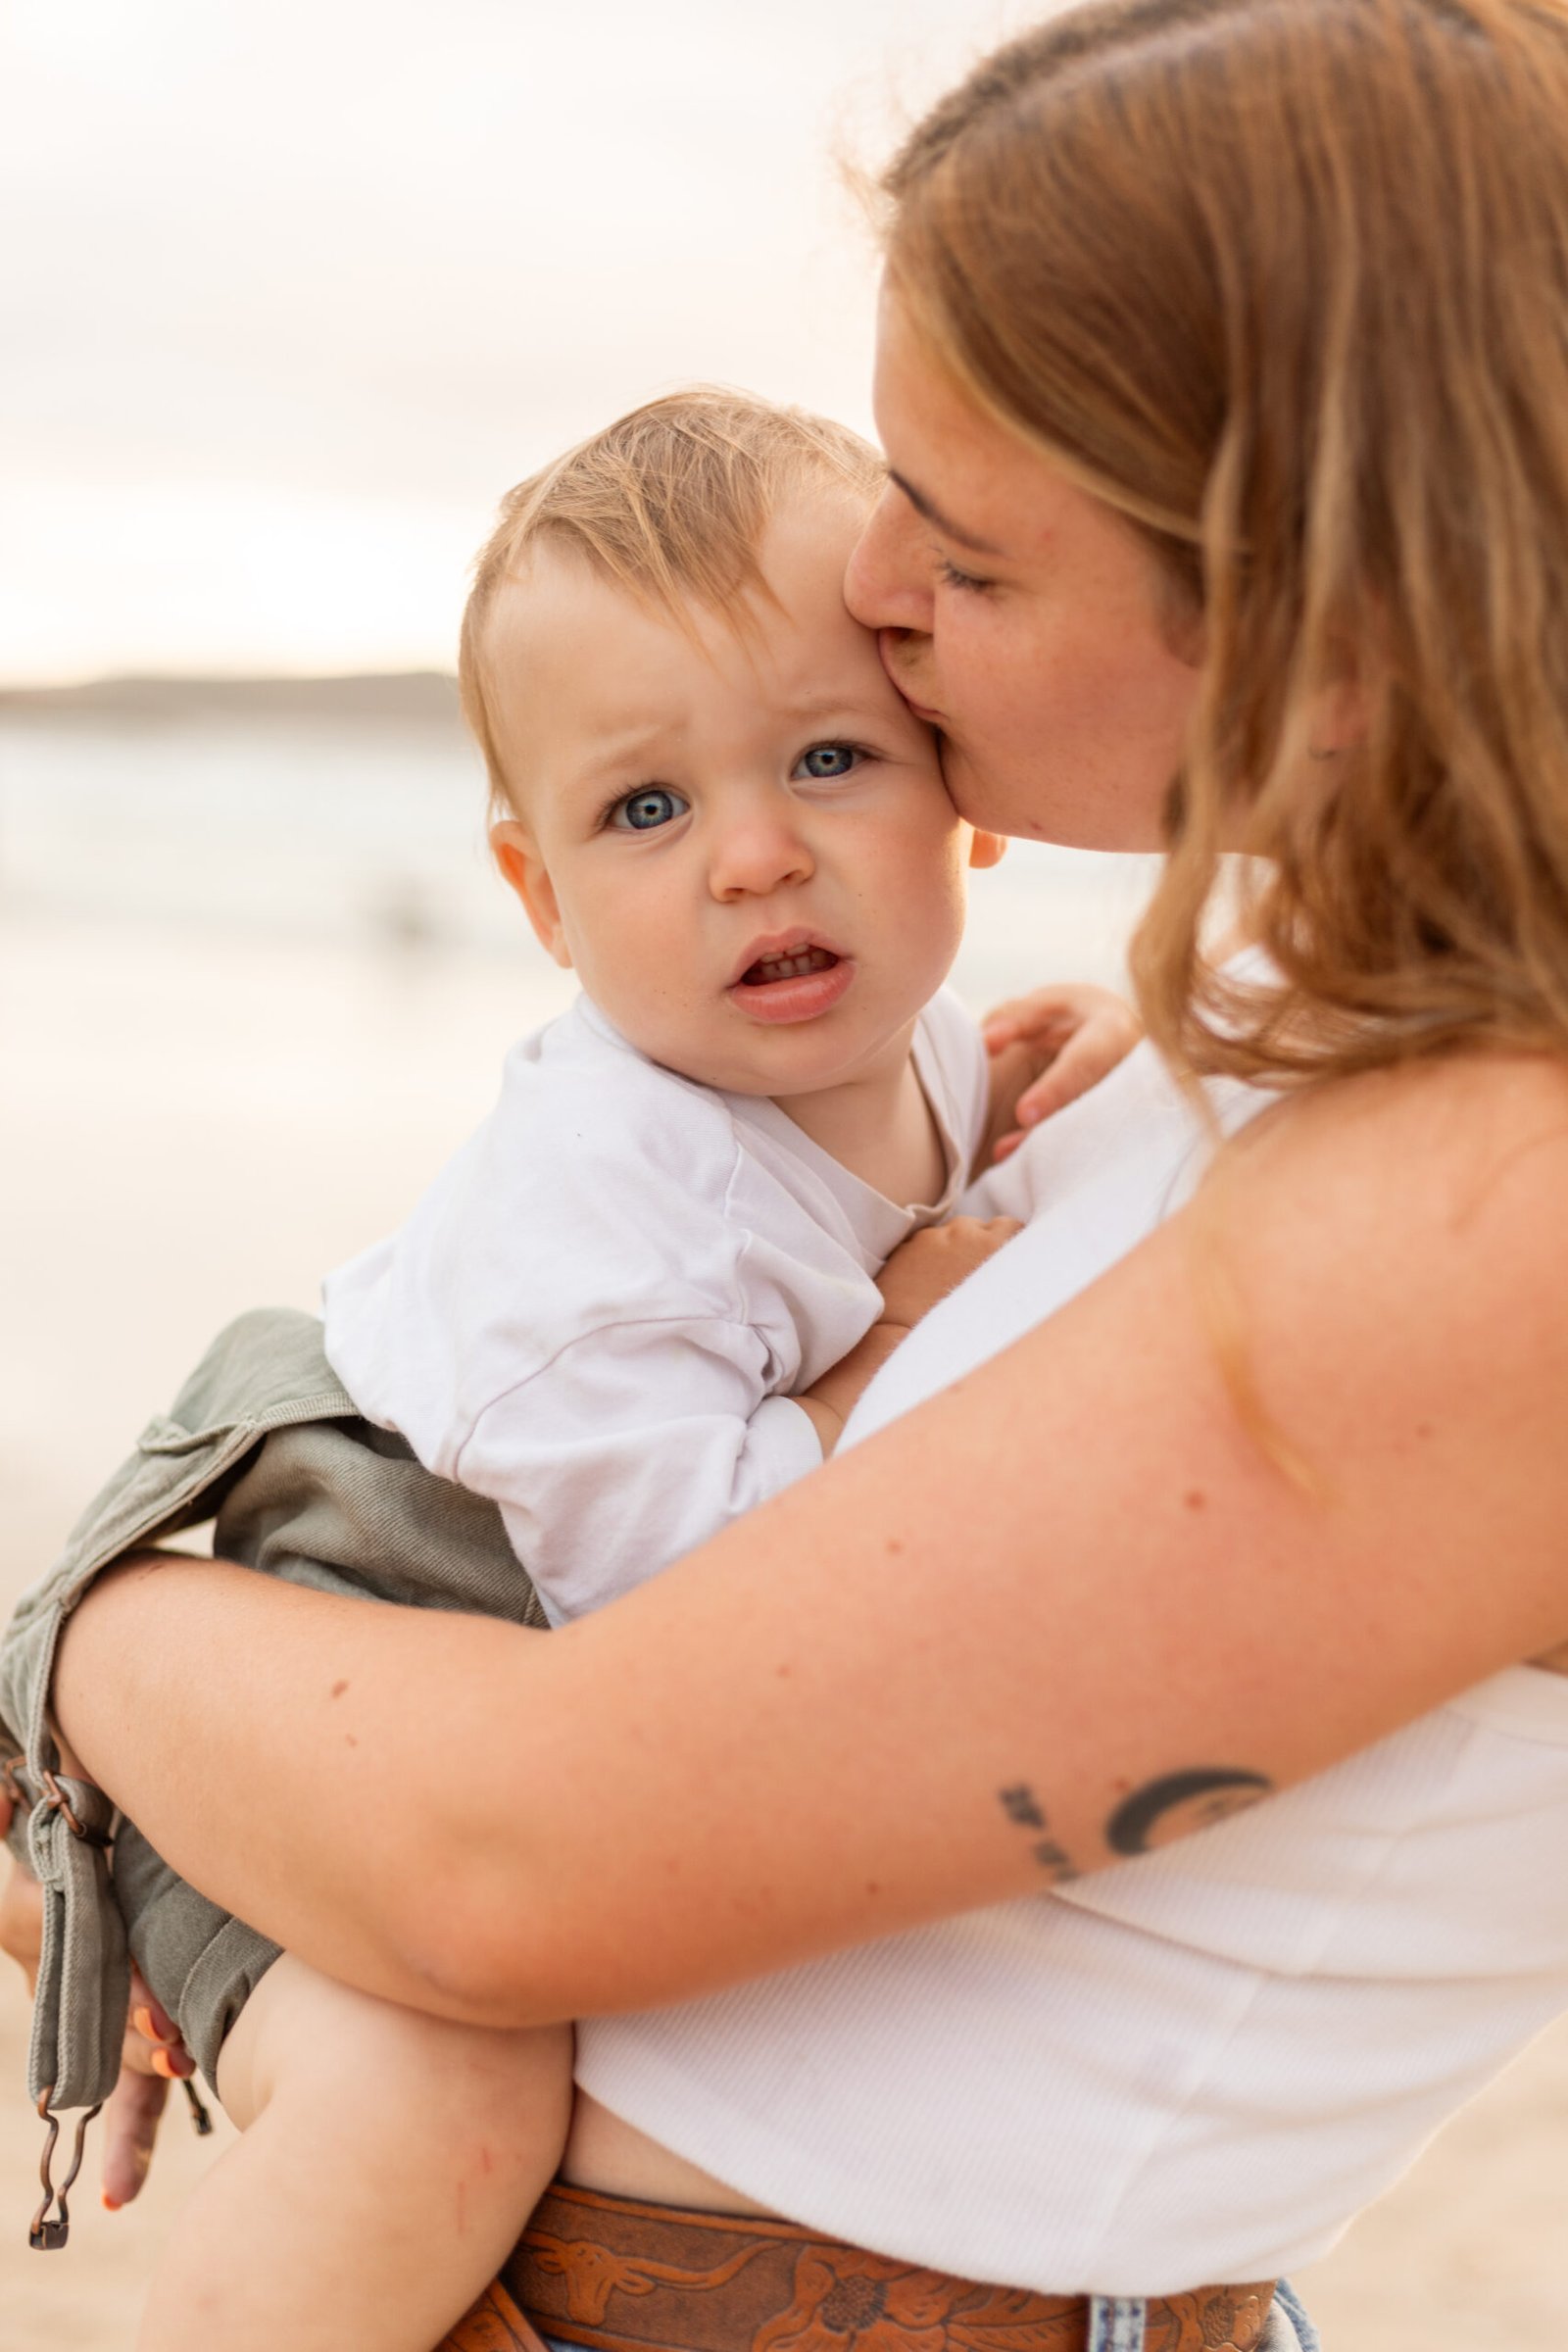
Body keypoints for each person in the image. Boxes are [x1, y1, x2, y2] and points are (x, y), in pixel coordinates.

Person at [8, 2, 1568, 2349]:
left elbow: (494, 1856)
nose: (872, 564)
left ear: (1297, 595)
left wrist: (87, 1638)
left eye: (957, 531)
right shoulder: (1354, 1018)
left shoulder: (1485, 1201)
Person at [3, 388, 1133, 2352]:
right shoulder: (597, 1228)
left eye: (828, 759)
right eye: (645, 809)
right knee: (433, 2100)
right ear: (534, 899)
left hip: (469, 1700)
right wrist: (919, 1326)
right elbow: (704, 1629)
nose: (755, 857)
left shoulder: (931, 1055)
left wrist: (1082, 1078)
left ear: (968, 796)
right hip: (323, 1649)